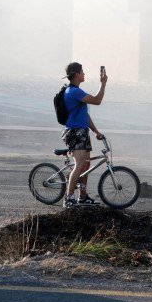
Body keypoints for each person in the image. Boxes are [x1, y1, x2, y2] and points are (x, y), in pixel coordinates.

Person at [61, 62, 108, 208]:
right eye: (82, 71)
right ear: (77, 74)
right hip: (74, 132)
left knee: (86, 164)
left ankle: (82, 197)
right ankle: (68, 198)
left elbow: (84, 115)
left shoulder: (77, 92)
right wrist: (103, 83)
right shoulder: (73, 91)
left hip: (82, 131)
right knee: (80, 164)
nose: (84, 74)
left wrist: (95, 132)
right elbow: (97, 100)